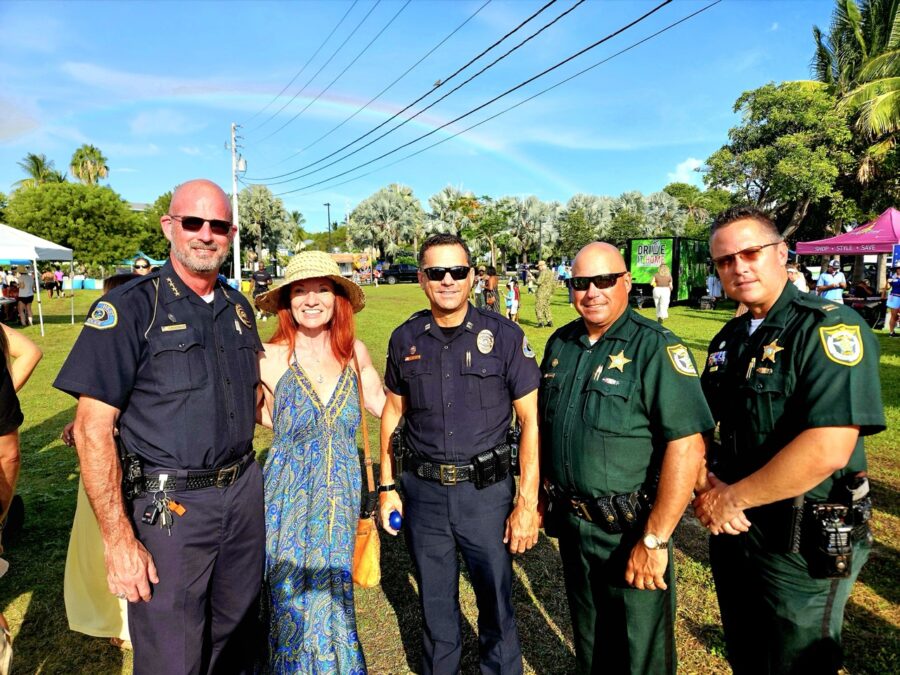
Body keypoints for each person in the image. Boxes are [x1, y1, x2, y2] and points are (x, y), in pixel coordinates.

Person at [53, 179, 265, 675]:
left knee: (236, 639)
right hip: (168, 510)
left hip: (241, 497)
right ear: (170, 226)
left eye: (219, 225)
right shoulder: (130, 309)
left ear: (231, 234)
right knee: (172, 655)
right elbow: (91, 429)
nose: (206, 235)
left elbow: (256, 398)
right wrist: (118, 539)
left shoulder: (238, 308)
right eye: (193, 222)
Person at [694, 206, 885, 674]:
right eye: (724, 260)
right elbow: (700, 425)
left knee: (797, 662)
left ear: (782, 253)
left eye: (751, 252)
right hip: (736, 533)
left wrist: (730, 498)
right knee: (747, 654)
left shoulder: (827, 327)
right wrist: (705, 483)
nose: (738, 267)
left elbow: (828, 446)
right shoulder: (728, 339)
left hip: (800, 540)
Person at [539, 242, 712, 674]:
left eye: (604, 280)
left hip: (631, 530)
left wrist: (654, 540)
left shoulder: (655, 347)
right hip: (575, 526)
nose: (592, 292)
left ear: (626, 282)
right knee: (591, 641)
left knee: (641, 653)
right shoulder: (562, 343)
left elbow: (687, 446)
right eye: (581, 283)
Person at [378, 233, 541, 675]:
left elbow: (530, 423)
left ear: (472, 276)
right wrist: (387, 487)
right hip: (424, 496)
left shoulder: (504, 336)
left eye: (457, 271)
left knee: (497, 608)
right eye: (436, 272)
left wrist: (527, 502)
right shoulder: (405, 338)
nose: (447, 280)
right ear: (421, 279)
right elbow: (393, 413)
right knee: (435, 611)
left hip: (486, 496)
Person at [253, 251, 385, 672]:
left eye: (322, 289)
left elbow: (386, 407)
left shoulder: (354, 353)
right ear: (287, 301)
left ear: (337, 298)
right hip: (286, 498)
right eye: (300, 291)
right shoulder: (268, 357)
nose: (311, 299)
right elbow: (231, 411)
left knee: (332, 590)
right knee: (285, 592)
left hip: (341, 495)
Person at [61, 273, 137, 649]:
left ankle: (119, 619)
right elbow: (96, 397)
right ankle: (115, 618)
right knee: (108, 533)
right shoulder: (111, 323)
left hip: (124, 451)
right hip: (105, 450)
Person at [535, 260, 555, 327]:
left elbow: (538, 282)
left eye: (539, 267)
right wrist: (552, 292)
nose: (538, 268)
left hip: (542, 292)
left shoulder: (543, 272)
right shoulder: (550, 272)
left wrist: (532, 278)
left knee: (539, 307)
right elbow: (553, 283)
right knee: (546, 307)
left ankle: (541, 322)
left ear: (541, 266)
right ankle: (549, 321)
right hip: (548, 293)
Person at [884, 264, 900, 337]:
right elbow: (887, 288)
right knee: (894, 316)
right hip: (895, 297)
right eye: (898, 268)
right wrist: (887, 281)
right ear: (896, 269)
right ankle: (891, 332)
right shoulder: (892, 277)